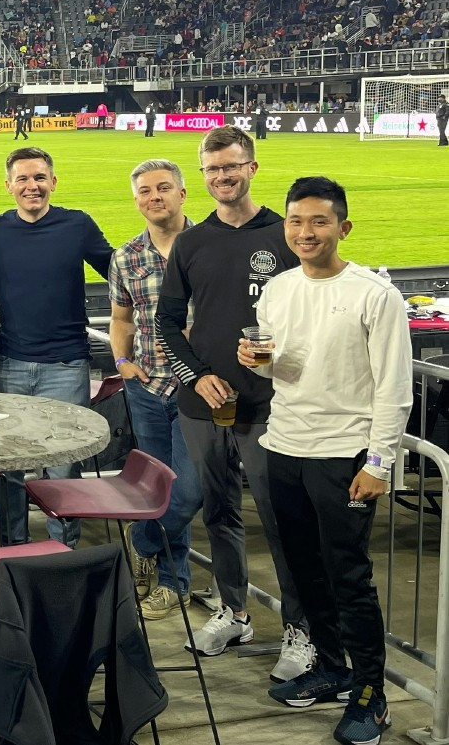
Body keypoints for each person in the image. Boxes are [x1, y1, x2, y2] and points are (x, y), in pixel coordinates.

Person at [243, 177, 411, 744]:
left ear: (343, 227)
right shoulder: (279, 288)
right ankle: (333, 668)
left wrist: (379, 463)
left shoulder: (374, 295)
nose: (305, 232)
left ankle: (372, 693)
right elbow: (277, 367)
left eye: (318, 221)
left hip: (344, 455)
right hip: (285, 446)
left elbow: (394, 390)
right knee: (304, 571)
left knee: (349, 577)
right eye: (295, 221)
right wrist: (255, 361)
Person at [156, 125, 310, 680]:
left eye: (232, 167)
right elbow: (167, 322)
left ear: (252, 167)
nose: (223, 177)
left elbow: (313, 313)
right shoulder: (192, 242)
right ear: (204, 176)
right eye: (212, 170)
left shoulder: (286, 236)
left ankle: (301, 628)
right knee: (218, 512)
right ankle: (234, 610)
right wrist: (195, 377)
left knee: (280, 516)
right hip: (207, 405)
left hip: (274, 407)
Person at [0, 147, 113, 547]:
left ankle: (63, 551)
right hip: (9, 366)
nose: (32, 186)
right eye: (22, 179)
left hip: (66, 367)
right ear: (8, 186)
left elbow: (117, 270)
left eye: (39, 177)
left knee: (61, 469)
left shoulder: (77, 225)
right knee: (7, 468)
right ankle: (14, 550)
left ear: (53, 182)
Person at [108, 159, 202, 621]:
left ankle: (143, 538)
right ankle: (173, 584)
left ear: (183, 194)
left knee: (186, 492)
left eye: (163, 188)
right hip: (147, 388)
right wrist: (123, 363)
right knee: (159, 487)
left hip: (200, 389)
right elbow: (121, 319)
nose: (154, 197)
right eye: (145, 191)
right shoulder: (127, 256)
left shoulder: (211, 246)